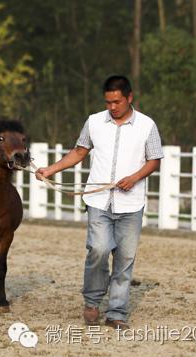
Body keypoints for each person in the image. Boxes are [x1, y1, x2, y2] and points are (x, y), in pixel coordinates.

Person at [35, 75, 163, 330]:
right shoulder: (94, 122)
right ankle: (92, 302)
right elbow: (79, 152)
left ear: (129, 98)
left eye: (116, 102)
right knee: (99, 249)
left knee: (125, 259)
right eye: (108, 102)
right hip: (98, 199)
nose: (112, 107)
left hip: (131, 204)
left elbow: (154, 160)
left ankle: (116, 313)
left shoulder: (147, 126)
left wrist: (134, 177)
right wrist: (51, 169)